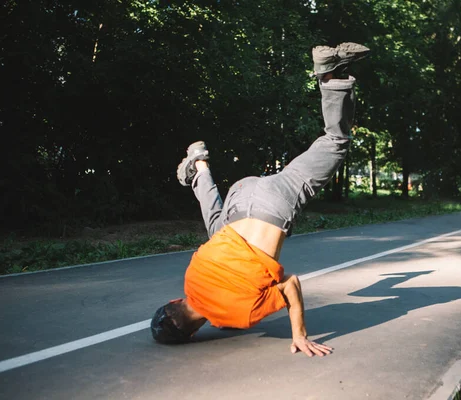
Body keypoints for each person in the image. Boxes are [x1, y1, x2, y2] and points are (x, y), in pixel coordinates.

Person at [150, 42, 370, 357]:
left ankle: (331, 78)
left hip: (277, 202)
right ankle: (199, 166)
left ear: (194, 334)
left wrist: (300, 335)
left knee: (336, 141)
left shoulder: (240, 316)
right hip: (241, 196)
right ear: (174, 302)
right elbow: (217, 287)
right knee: (216, 231)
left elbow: (290, 285)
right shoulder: (191, 277)